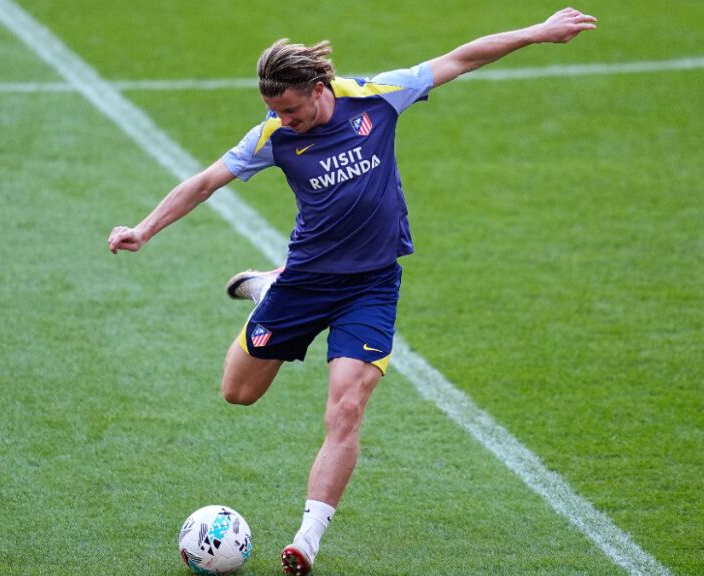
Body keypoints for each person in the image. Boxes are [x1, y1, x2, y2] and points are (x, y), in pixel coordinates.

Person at [108, 7, 596, 574]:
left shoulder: (376, 97)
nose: (282, 120)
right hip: (305, 283)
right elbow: (205, 182)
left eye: (289, 109)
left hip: (371, 285)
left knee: (346, 406)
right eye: (273, 111)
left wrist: (538, 31)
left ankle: (307, 540)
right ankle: (269, 289)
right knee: (238, 394)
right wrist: (144, 228)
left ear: (318, 90)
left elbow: (462, 57)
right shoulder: (274, 134)